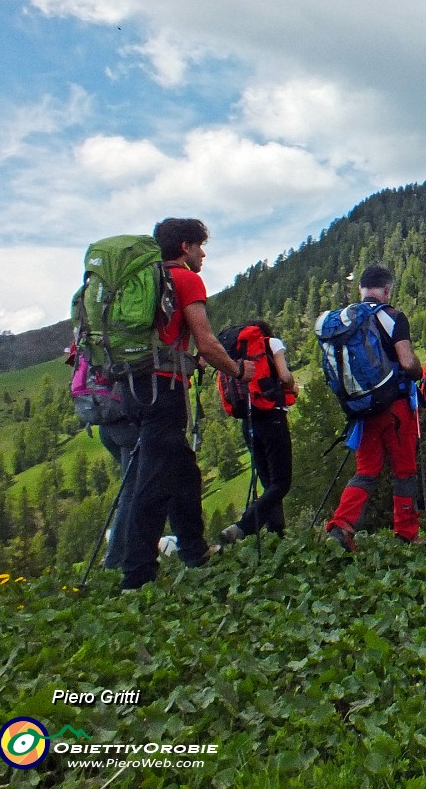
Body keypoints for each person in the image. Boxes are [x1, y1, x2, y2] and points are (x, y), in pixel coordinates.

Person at [118, 218, 256, 591]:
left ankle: (195, 551)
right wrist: (239, 370)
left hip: (132, 387)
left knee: (183, 472)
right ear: (184, 247)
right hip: (164, 390)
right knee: (152, 482)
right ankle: (136, 575)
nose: (203, 254)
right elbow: (208, 343)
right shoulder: (185, 279)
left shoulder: (147, 282)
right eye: (199, 246)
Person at [325, 265, 424, 550]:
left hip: (363, 410)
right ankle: (406, 532)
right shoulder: (394, 317)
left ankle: (342, 526)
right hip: (395, 408)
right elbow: (407, 362)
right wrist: (417, 371)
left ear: (361, 290)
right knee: (404, 470)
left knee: (366, 470)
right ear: (387, 290)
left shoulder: (346, 321)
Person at [220, 320, 297, 544]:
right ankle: (243, 527)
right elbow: (284, 376)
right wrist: (293, 387)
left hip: (249, 420)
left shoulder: (236, 352)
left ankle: (276, 537)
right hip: (272, 417)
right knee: (281, 483)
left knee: (269, 485)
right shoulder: (271, 343)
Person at [99, 418, 140, 569]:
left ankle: (128, 553)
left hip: (107, 427)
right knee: (131, 492)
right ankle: (115, 559)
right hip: (128, 428)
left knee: (137, 487)